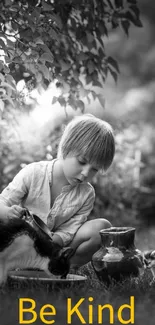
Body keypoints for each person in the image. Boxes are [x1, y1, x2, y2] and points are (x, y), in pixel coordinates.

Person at [0, 114, 115, 268]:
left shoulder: (86, 193)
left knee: (101, 228)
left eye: (94, 169)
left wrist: (57, 240)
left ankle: (61, 266)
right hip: (20, 241)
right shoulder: (34, 173)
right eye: (81, 162)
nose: (85, 173)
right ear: (66, 148)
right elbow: (3, 202)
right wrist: (8, 212)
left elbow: (71, 228)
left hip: (54, 248)